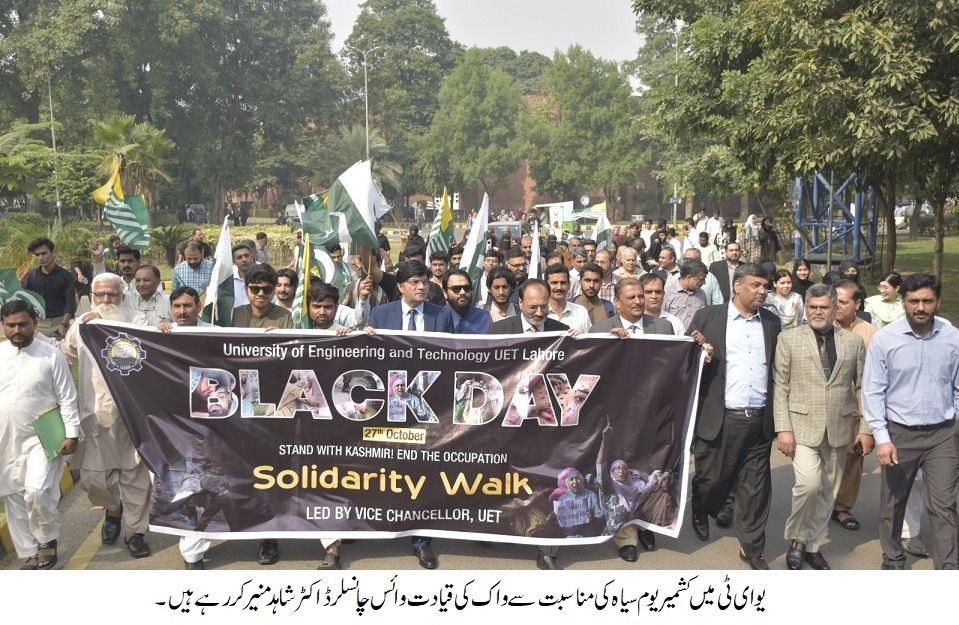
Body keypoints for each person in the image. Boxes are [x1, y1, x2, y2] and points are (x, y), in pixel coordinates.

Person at [861, 273, 959, 570]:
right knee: (894, 503)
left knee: (943, 505)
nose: (920, 307)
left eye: (927, 301)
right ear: (903, 301)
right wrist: (882, 437)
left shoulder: (952, 337)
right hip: (899, 434)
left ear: (937, 302)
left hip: (942, 435)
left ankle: (949, 568)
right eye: (914, 300)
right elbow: (873, 390)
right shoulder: (884, 340)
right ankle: (892, 558)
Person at [686, 263, 781, 570]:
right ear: (738, 286)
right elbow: (687, 361)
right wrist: (700, 351)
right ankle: (701, 509)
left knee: (755, 488)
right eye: (756, 285)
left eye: (765, 286)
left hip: (759, 420)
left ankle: (752, 547)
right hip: (719, 418)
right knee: (711, 481)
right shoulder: (708, 317)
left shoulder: (771, 322)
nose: (762, 291)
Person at [773, 284, 871, 570]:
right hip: (801, 425)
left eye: (824, 307)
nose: (818, 311)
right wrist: (783, 428)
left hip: (840, 427)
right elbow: (781, 385)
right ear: (806, 307)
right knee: (809, 485)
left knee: (828, 491)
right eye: (813, 306)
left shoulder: (852, 342)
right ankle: (796, 538)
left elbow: (864, 387)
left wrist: (866, 429)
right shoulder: (788, 339)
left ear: (834, 308)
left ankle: (812, 545)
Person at [366, 260, 453, 569]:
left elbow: (454, 360)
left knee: (421, 473)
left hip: (426, 409)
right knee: (385, 469)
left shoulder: (441, 316)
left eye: (424, 281)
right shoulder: (380, 315)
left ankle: (421, 540)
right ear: (400, 286)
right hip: (389, 408)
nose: (421, 286)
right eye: (414, 282)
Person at [61, 273, 152, 559]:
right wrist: (80, 326)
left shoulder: (136, 323)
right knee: (93, 479)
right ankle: (113, 511)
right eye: (100, 295)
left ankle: (135, 533)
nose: (106, 300)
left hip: (132, 416)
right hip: (95, 415)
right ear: (91, 295)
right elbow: (66, 353)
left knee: (136, 479)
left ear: (122, 296)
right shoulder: (83, 325)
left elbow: (156, 351)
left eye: (112, 295)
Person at [0, 300, 80, 570]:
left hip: (42, 437)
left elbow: (67, 398)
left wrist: (72, 434)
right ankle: (28, 553)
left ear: (34, 323)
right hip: (5, 437)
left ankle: (47, 539)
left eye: (22, 324)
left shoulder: (50, 355)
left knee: (36, 489)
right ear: (3, 326)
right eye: (10, 325)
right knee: (12, 493)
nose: (16, 330)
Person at [829, 280, 877, 534]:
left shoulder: (870, 333)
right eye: (834, 300)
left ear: (857, 304)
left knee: (852, 460)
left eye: (844, 302)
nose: (837, 306)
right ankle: (819, 504)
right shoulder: (820, 326)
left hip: (856, 411)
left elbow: (875, 379)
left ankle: (842, 507)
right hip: (824, 409)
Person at [20, 237, 76, 338]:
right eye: (37, 255)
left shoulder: (66, 275)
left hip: (61, 321)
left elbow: (70, 302)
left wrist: (64, 324)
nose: (40, 257)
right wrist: (19, 285)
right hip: (39, 323)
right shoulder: (31, 275)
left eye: (44, 253)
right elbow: (25, 300)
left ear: (52, 252)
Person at [232, 265, 292, 330]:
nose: (261, 294)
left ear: (274, 290)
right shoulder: (234, 315)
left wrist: (280, 335)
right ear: (246, 290)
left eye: (267, 289)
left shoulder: (285, 316)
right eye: (255, 289)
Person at [544, 264, 591, 333]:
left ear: (569, 285)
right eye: (554, 283)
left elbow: (590, 341)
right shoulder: (539, 314)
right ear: (546, 285)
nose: (559, 287)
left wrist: (581, 337)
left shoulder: (581, 312)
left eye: (563, 283)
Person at [663, 259, 708, 332]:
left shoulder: (701, 294)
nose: (704, 283)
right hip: (675, 340)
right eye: (701, 279)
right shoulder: (667, 293)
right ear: (688, 277)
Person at [443, 269, 490, 334]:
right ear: (445, 293)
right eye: (456, 289)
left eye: (467, 288)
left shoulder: (485, 317)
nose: (463, 292)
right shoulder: (437, 318)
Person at [231, 242, 256, 307]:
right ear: (234, 261)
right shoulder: (229, 281)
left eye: (246, 256)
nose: (244, 260)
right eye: (239, 257)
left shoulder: (262, 277)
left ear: (252, 257)